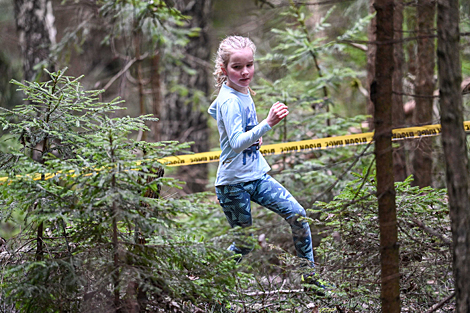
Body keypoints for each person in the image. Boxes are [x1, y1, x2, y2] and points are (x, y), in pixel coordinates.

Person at [208, 36, 323, 291]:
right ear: (224, 69)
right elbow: (236, 142)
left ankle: (310, 279)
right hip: (232, 185)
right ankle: (210, 286)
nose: (245, 71)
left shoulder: (241, 90)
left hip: (257, 177)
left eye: (249, 64)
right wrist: (266, 124)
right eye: (237, 67)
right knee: (244, 244)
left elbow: (220, 118)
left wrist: (254, 138)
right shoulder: (229, 99)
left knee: (298, 216)